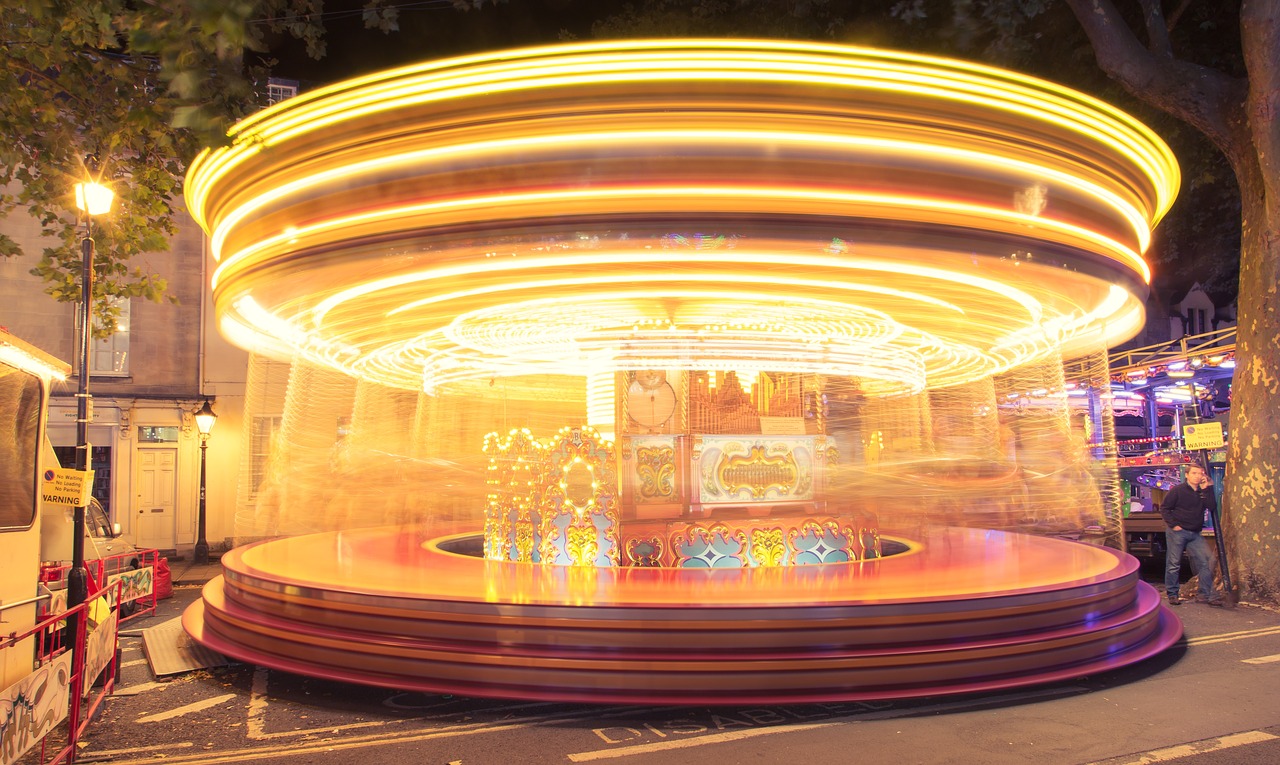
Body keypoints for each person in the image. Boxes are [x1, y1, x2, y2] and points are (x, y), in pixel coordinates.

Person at [1159, 464, 1222, 606]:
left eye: (1200, 473)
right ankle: (1173, 594)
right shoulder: (1177, 490)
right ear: (1187, 475)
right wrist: (1174, 524)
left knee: (1208, 561)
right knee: (1174, 564)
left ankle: (1204, 594)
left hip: (1195, 533)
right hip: (1178, 532)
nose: (1197, 476)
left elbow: (1211, 507)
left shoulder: (1202, 491)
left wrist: (1208, 488)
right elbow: (1165, 508)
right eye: (1194, 473)